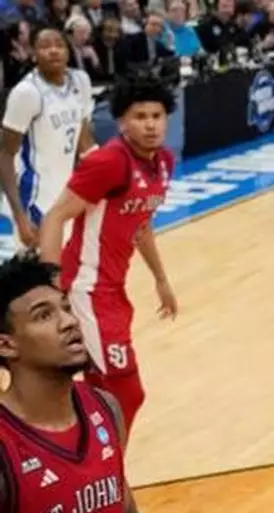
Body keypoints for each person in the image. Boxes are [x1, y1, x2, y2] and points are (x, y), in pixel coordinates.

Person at [0, 250, 274, 513]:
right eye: (44, 315)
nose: (69, 322)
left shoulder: (103, 409)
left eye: (66, 308)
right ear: (6, 345)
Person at [37, 71, 179, 434]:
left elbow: (141, 224)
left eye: (156, 116)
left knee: (103, 390)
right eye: (139, 117)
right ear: (121, 122)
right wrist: (49, 286)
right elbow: (55, 216)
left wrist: (161, 279)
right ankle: (107, 477)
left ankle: (89, 467)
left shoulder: (163, 161)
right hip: (86, 288)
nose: (149, 125)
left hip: (113, 291)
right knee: (124, 392)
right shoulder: (110, 162)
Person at [0, 24, 95, 251]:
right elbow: (5, 154)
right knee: (38, 276)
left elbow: (84, 139)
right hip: (33, 197)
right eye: (44, 46)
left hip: (67, 191)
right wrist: (20, 216)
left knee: (68, 270)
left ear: (68, 50)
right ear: (33, 53)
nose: (53, 50)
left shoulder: (80, 81)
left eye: (59, 45)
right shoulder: (27, 93)